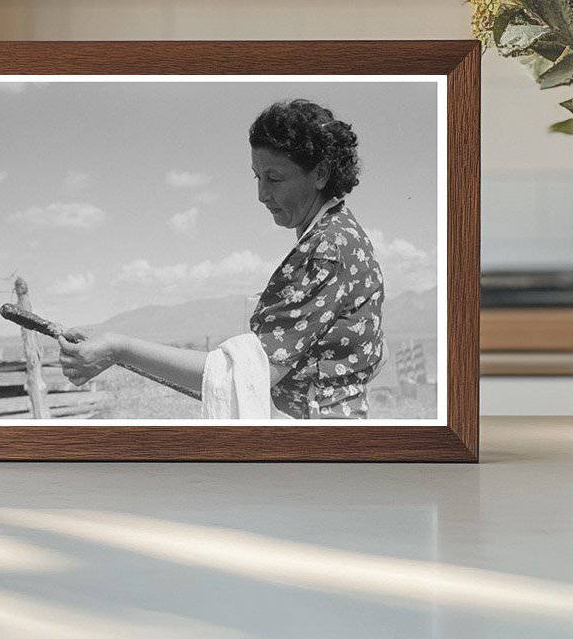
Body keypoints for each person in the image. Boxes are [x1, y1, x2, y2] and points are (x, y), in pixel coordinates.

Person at [58, 98, 386, 419]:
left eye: (274, 178)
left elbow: (248, 376)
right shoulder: (343, 237)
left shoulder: (327, 248)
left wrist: (119, 348)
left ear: (320, 174)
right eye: (256, 177)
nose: (261, 195)